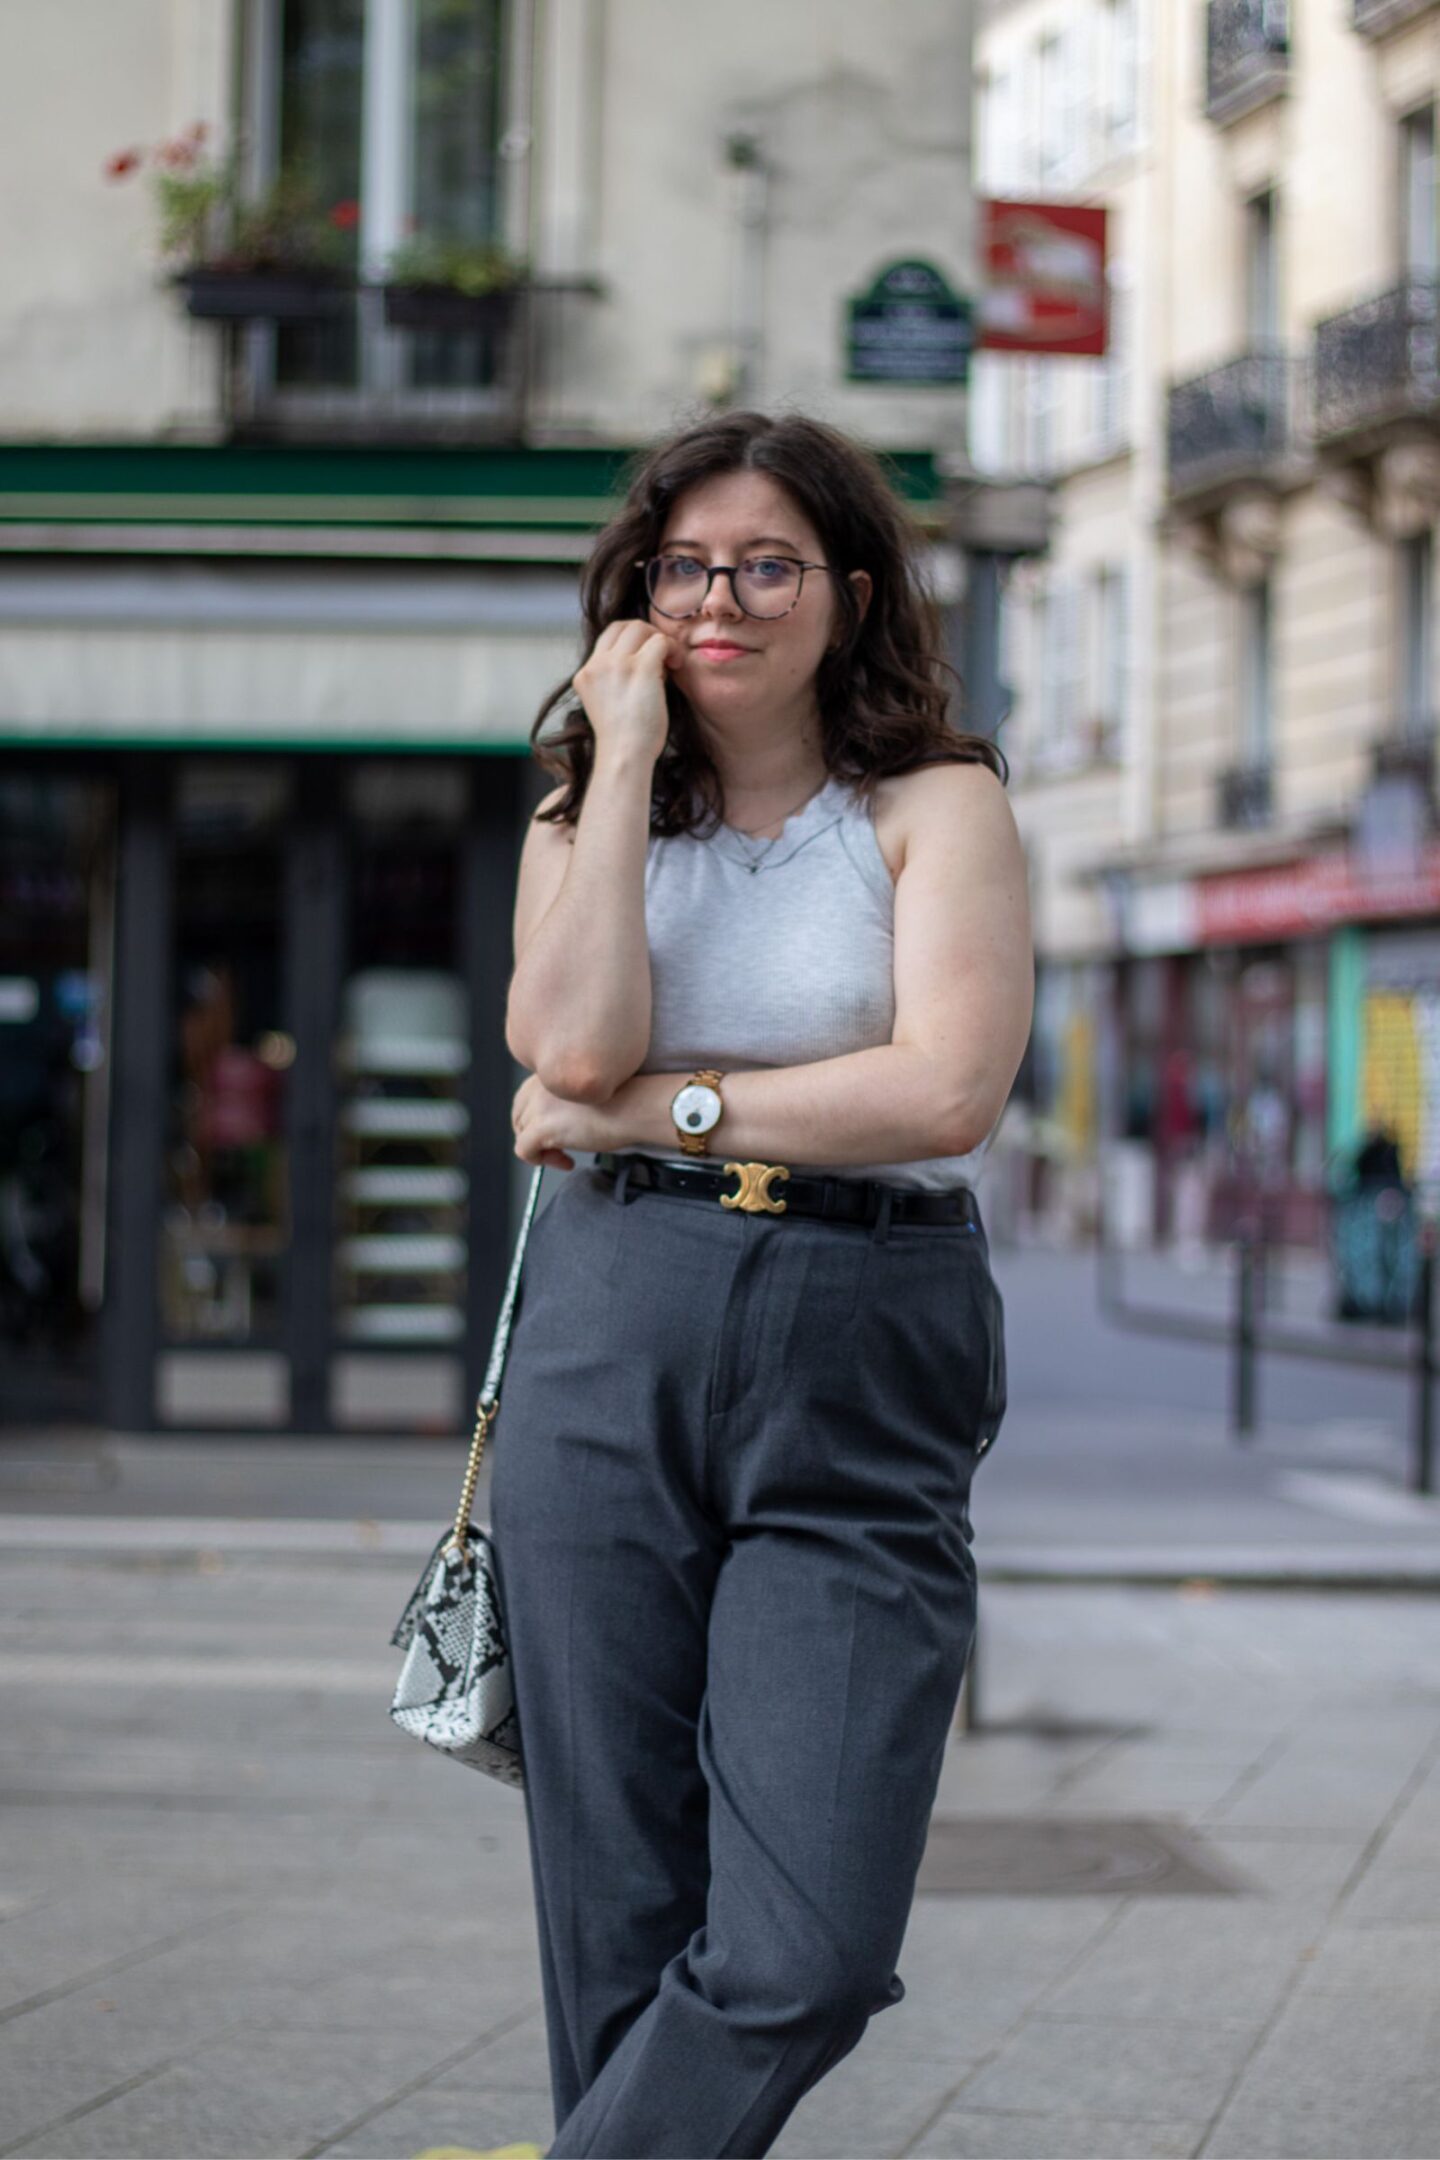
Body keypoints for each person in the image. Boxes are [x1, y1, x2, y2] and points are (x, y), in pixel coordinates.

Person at [473, 410, 1031, 2160]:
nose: (722, 599)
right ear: (640, 590)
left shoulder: (939, 804)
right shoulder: (585, 812)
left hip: (863, 1342)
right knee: (615, 1905)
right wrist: (624, 761)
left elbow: (943, 1089)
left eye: (768, 563)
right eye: (686, 564)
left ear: (850, 592)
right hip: (612, 1320)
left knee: (807, 1941)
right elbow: (562, 1035)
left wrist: (656, 1106)